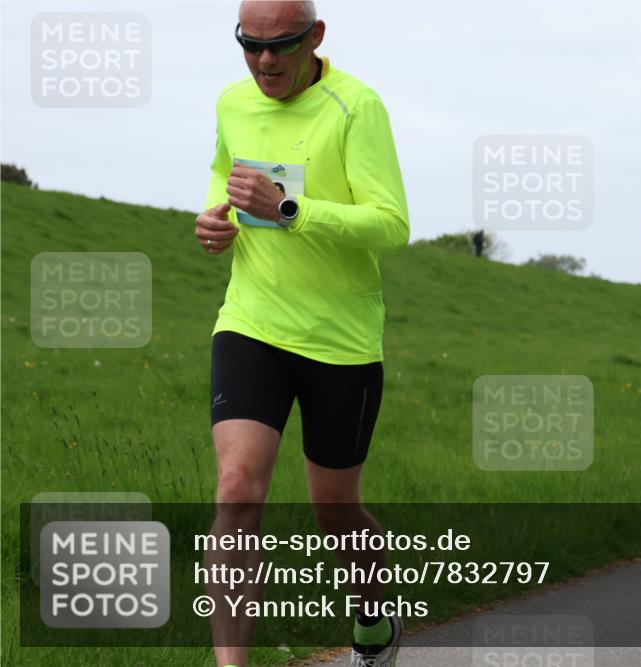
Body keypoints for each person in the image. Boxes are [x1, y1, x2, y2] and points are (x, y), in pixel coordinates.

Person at [194, 2, 409, 666]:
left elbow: (391, 224)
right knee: (237, 489)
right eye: (250, 45)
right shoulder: (233, 101)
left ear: (315, 36)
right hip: (251, 322)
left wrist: (288, 208)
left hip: (338, 341)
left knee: (335, 510)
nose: (264, 61)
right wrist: (215, 217)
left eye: (281, 46)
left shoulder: (356, 107)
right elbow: (223, 170)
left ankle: (373, 615)